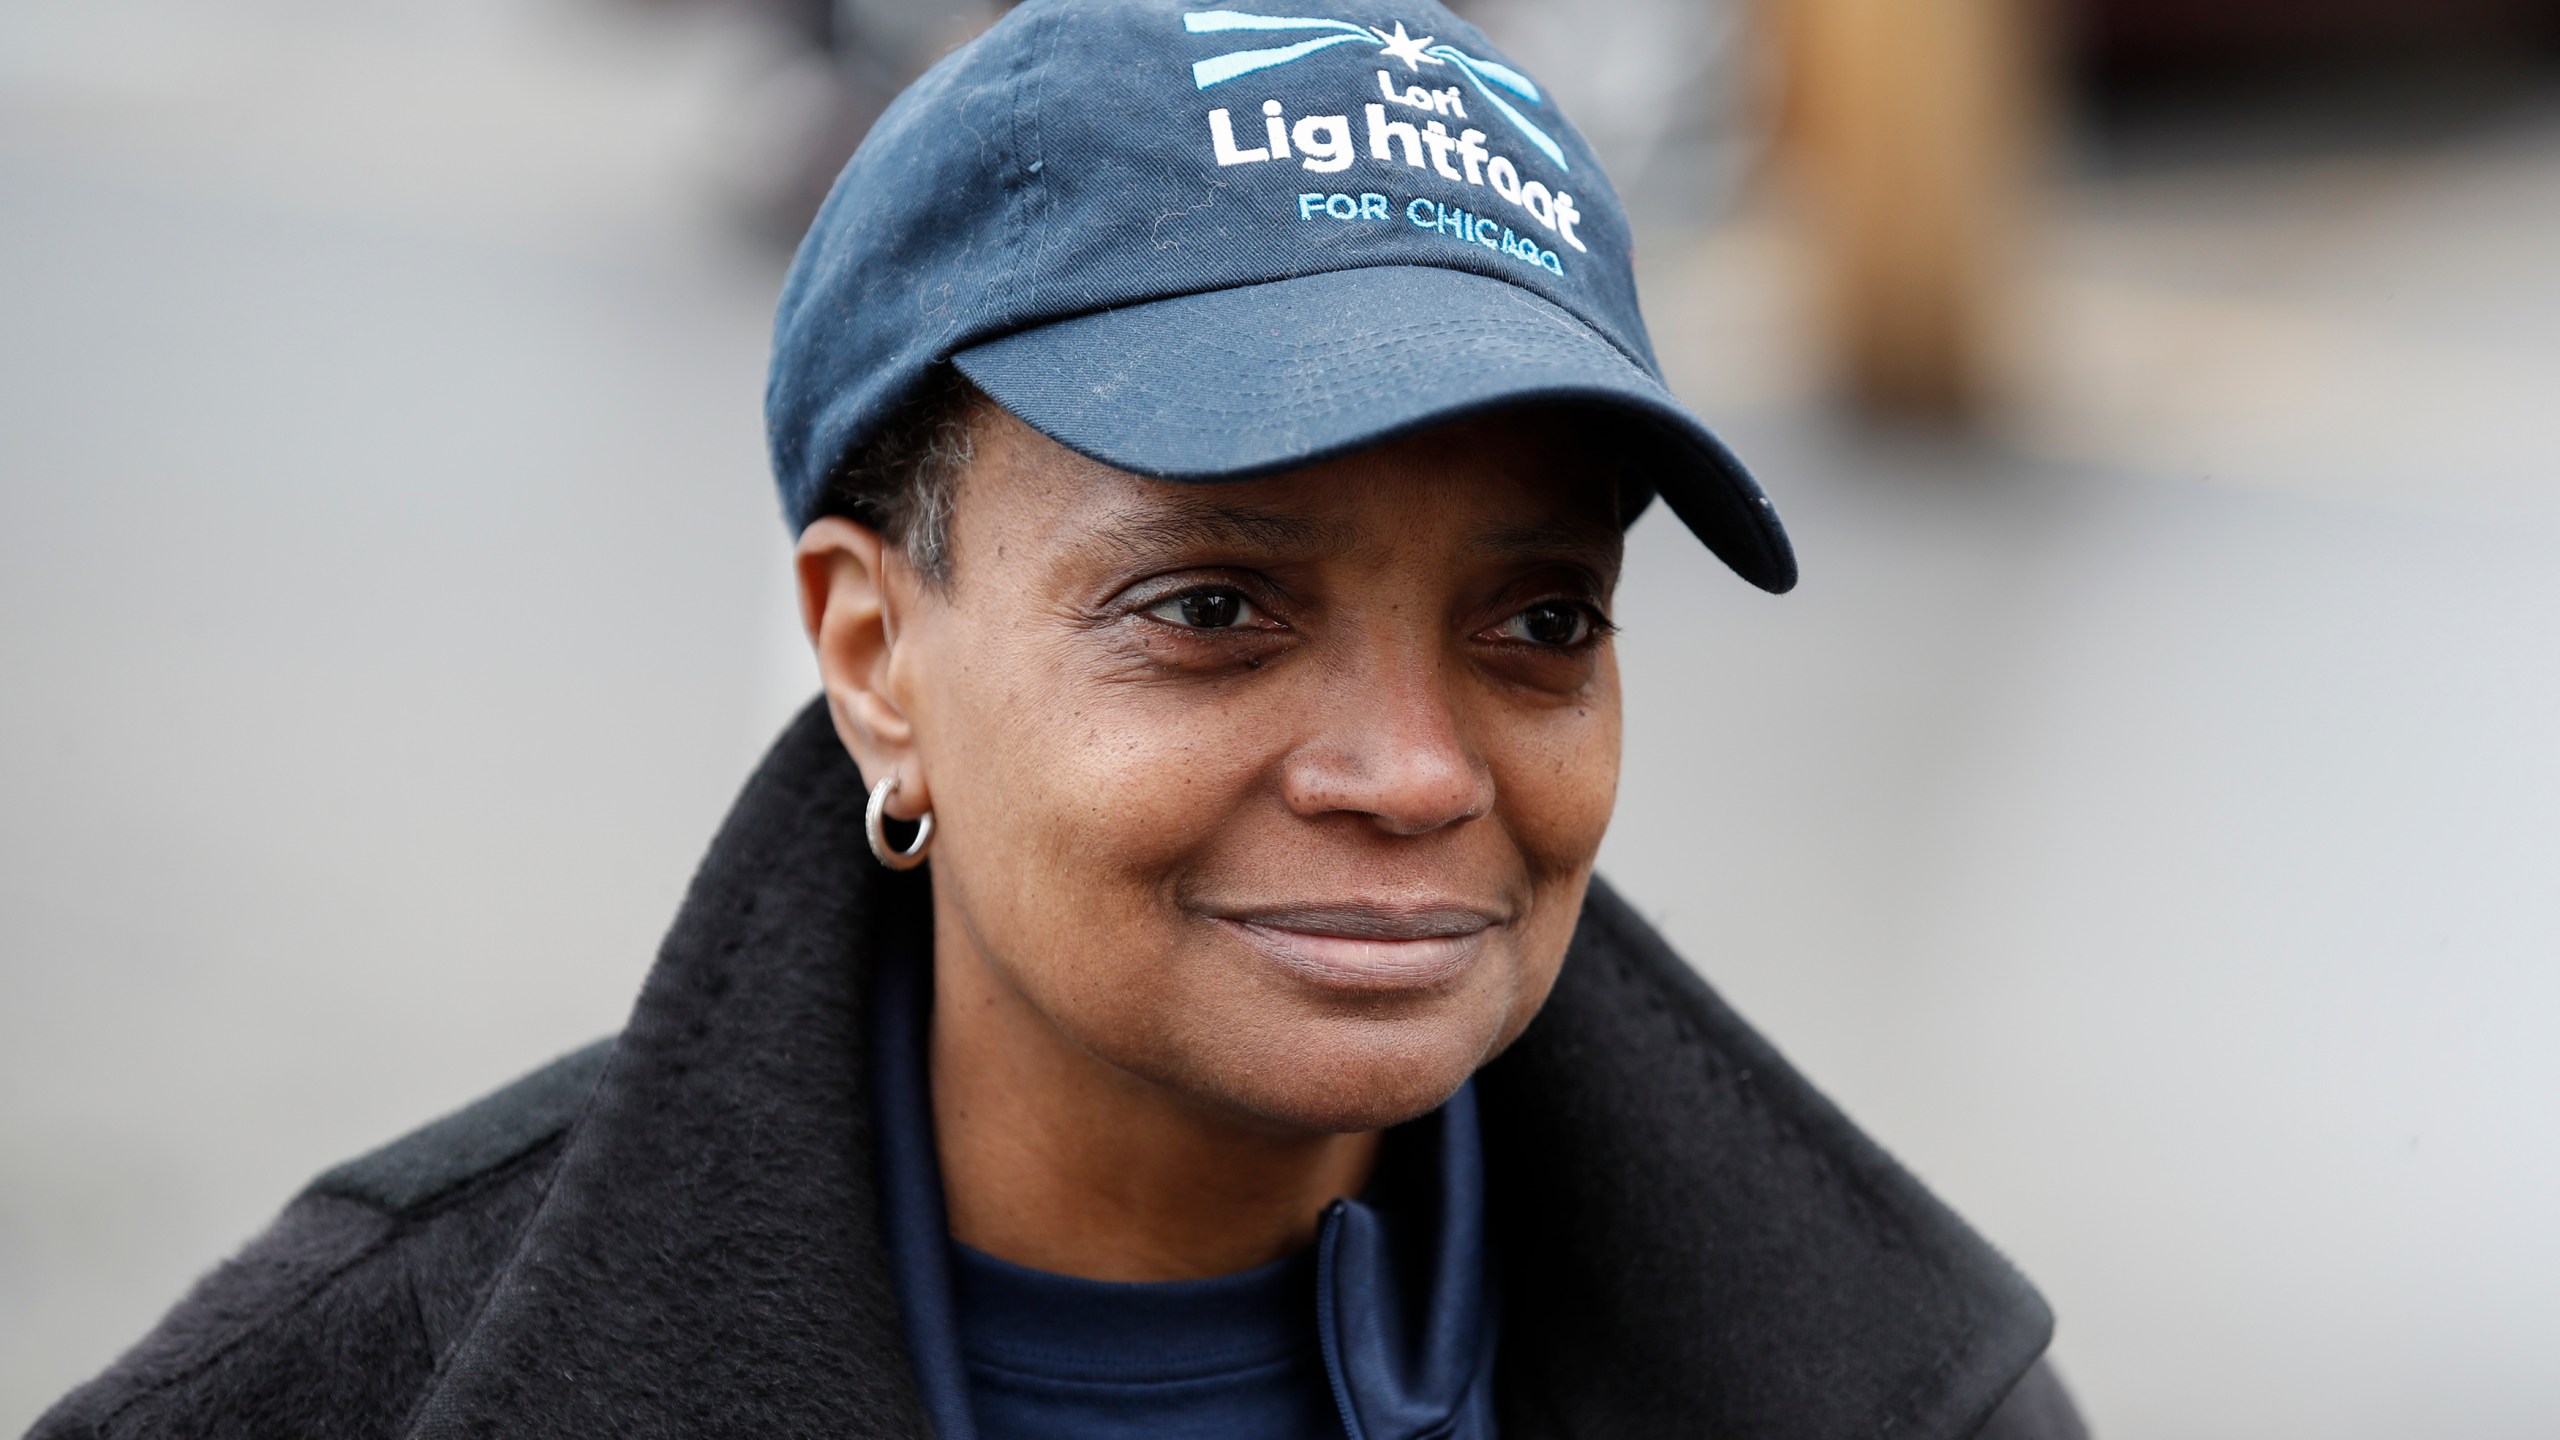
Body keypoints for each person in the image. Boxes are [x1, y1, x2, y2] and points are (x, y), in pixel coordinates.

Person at [32, 2, 2086, 1437]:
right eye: (1208, 607)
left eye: (1538, 619)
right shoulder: (356, 1388)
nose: (1411, 771)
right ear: (870, 655)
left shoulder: (1897, 1390)